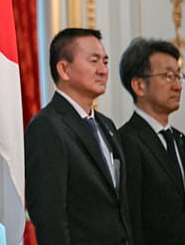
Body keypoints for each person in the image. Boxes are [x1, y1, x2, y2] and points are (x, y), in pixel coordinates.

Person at [25, 28, 134, 245]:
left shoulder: (106, 125)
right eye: (94, 61)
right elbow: (50, 215)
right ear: (64, 69)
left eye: (105, 61)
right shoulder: (47, 126)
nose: (103, 70)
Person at [118, 38, 185, 245]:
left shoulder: (179, 139)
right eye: (168, 76)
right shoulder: (126, 142)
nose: (177, 86)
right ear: (139, 85)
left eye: (179, 76)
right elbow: (133, 219)